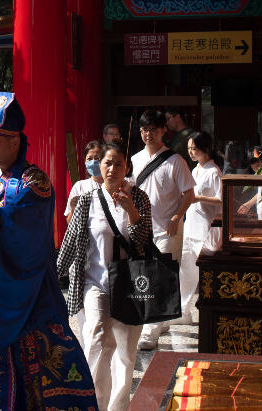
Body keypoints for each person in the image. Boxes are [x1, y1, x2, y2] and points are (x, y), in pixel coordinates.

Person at [0, 91, 98, 411]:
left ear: (15, 141)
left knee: (41, 375)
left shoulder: (33, 182)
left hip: (31, 301)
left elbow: (23, 232)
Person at [57, 141, 152, 411]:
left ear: (127, 168)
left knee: (125, 351)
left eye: (118, 164)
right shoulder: (88, 199)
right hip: (95, 282)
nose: (112, 169)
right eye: (107, 163)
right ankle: (93, 403)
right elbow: (70, 241)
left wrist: (131, 210)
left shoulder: (140, 198)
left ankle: (117, 406)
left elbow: (143, 241)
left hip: (131, 284)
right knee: (98, 339)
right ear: (100, 166)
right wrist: (53, 276)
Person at [131, 109, 195, 350]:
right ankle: (159, 319)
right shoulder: (136, 159)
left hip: (167, 228)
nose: (148, 134)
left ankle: (150, 330)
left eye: (153, 130)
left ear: (163, 132)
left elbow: (188, 193)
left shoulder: (175, 161)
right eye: (144, 130)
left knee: (161, 276)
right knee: (145, 276)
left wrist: (177, 216)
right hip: (142, 228)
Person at [178, 131, 222, 324]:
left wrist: (198, 198)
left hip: (206, 228)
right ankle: (182, 311)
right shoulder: (195, 170)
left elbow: (222, 199)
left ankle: (208, 313)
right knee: (186, 270)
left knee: (204, 272)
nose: (191, 152)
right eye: (189, 149)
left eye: (194, 148)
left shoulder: (214, 172)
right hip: (191, 226)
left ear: (205, 149)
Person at [65, 140, 104, 224]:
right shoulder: (79, 186)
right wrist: (73, 209)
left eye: (97, 158)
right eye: (89, 159)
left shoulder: (114, 184)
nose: (93, 162)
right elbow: (69, 223)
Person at [237, 146, 262, 218]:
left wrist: (248, 204)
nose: (256, 171)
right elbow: (261, 193)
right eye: (253, 169)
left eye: (258, 167)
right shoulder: (260, 174)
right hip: (261, 212)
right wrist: (248, 204)